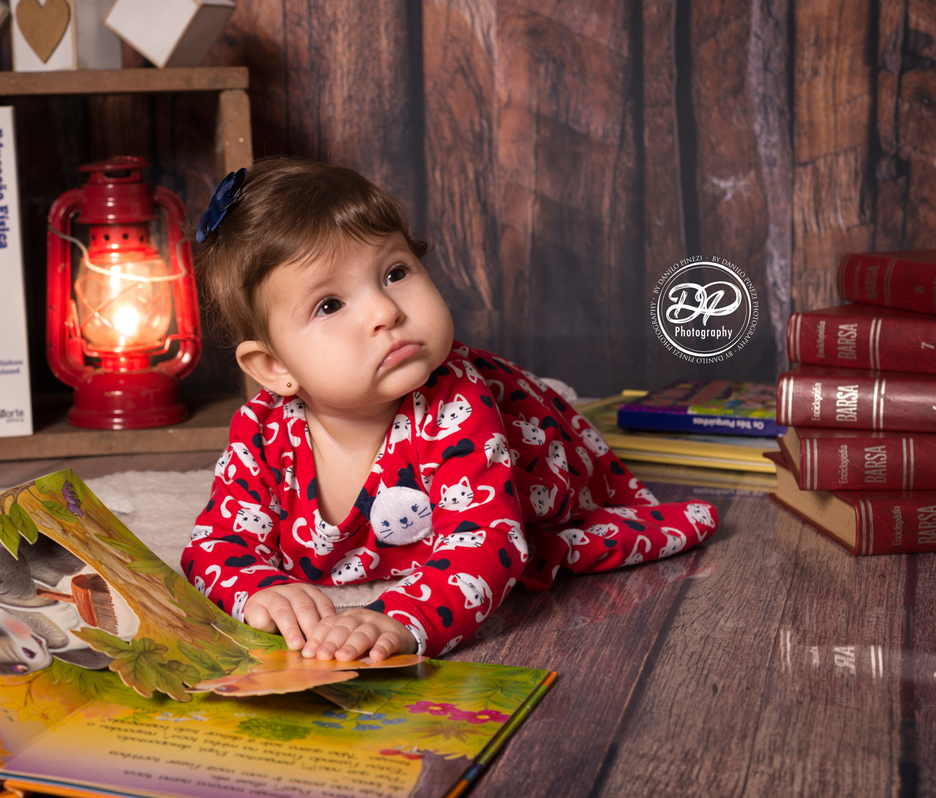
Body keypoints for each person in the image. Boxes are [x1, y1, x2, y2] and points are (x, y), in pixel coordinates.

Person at [183, 157, 718, 663]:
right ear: (275, 368)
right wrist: (259, 587)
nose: (385, 310)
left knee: (545, 527)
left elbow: (486, 542)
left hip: (525, 448)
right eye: (329, 304)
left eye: (395, 272)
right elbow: (216, 541)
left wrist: (400, 617)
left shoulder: (452, 402)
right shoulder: (261, 430)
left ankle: (549, 403)